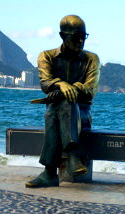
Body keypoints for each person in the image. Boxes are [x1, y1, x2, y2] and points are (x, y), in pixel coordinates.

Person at [26, 15, 100, 188]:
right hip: (57, 111)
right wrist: (61, 85)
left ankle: (50, 173)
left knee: (57, 109)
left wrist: (66, 90)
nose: (81, 41)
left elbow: (89, 92)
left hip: (81, 113)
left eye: (84, 36)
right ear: (62, 35)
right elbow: (45, 84)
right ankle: (73, 155)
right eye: (76, 37)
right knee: (56, 109)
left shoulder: (92, 59)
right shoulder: (47, 56)